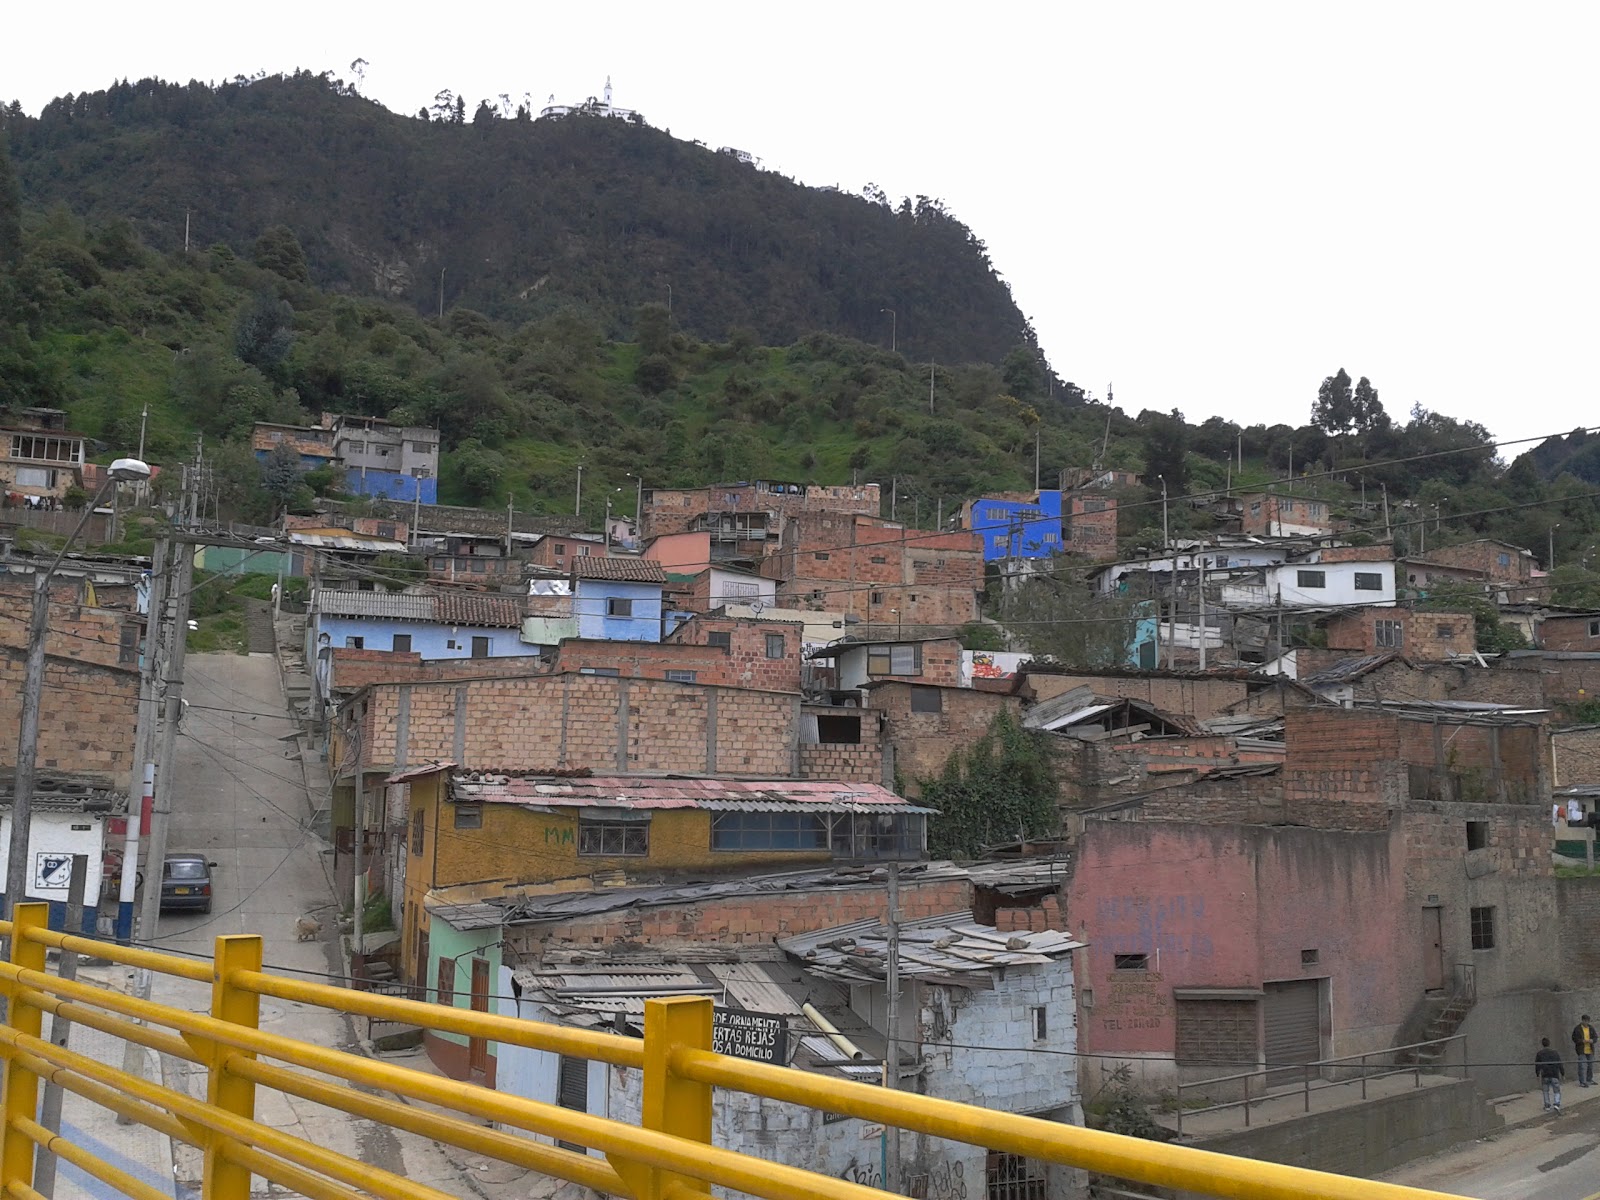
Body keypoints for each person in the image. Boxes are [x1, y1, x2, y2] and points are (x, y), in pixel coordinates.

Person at [1537, 1037, 1565, 1111]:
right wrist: (1562, 1074)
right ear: (1549, 1043)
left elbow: (1537, 1065)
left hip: (1545, 1074)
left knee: (1545, 1091)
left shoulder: (1539, 1053)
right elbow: (1560, 1064)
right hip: (1554, 1074)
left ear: (1542, 1044)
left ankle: (1547, 1105)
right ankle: (1557, 1104)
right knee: (1556, 1090)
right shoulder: (1555, 1053)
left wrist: (1537, 1074)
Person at [1573, 1016, 1597, 1087]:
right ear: (1582, 1020)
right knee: (1582, 1066)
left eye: (1588, 1021)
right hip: (1581, 1050)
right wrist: (1582, 1041)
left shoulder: (1591, 1028)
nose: (1586, 1022)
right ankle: (1582, 1082)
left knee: (1590, 1066)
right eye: (1585, 1021)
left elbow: (1595, 1037)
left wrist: (1592, 1040)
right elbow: (1574, 1038)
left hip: (1590, 1050)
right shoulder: (1577, 1029)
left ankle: (1589, 1080)